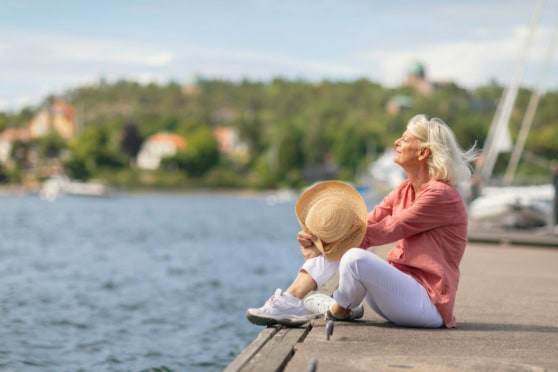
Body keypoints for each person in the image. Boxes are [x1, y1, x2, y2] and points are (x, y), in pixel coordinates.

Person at [246, 114, 478, 329]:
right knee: (349, 244)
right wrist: (319, 243)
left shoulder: (441, 195)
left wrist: (328, 242)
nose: (397, 142)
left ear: (423, 153)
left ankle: (336, 308)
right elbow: (366, 223)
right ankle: (291, 300)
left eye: (405, 139)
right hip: (395, 295)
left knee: (354, 255)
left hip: (428, 304)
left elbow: (390, 228)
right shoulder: (404, 189)